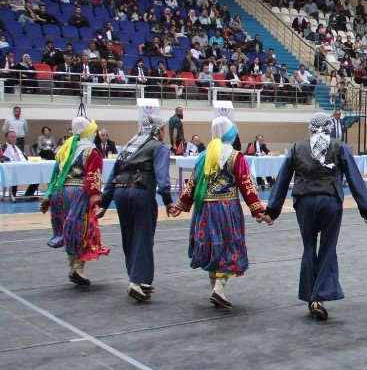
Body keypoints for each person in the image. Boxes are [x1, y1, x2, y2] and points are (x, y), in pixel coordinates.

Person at [265, 113, 367, 320]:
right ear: (331, 128)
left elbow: (282, 180)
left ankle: (310, 295)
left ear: (310, 128)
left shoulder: (297, 147)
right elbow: (354, 178)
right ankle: (319, 296)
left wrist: (272, 210)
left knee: (308, 247)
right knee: (327, 247)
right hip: (330, 200)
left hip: (304, 201)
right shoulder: (340, 147)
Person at [168, 118, 271, 309]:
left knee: (211, 246)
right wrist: (258, 210)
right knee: (228, 247)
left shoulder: (204, 156)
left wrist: (181, 204)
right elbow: (247, 185)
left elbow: (192, 184)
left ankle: (215, 287)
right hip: (226, 209)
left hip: (205, 210)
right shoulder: (235, 157)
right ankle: (219, 288)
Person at [97, 116, 173, 302]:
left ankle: (141, 279)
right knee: (144, 236)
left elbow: (113, 174)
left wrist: (104, 203)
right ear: (157, 130)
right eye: (163, 129)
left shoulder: (129, 146)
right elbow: (162, 176)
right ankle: (137, 281)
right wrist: (168, 200)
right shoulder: (159, 147)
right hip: (141, 193)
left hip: (120, 193)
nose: (164, 133)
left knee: (129, 236)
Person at [40, 117, 110, 286]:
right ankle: (77, 267)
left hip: (60, 194)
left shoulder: (65, 149)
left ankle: (73, 266)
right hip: (78, 193)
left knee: (68, 229)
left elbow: (55, 175)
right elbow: (93, 178)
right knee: (82, 229)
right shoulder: (91, 152)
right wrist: (97, 202)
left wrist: (48, 198)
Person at [2, 130, 37, 197]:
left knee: (37, 176)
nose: (15, 139)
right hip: (13, 170)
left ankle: (28, 194)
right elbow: (4, 159)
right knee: (14, 177)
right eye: (12, 137)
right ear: (7, 138)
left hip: (26, 166)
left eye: (15, 137)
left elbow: (24, 157)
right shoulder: (3, 148)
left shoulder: (18, 147)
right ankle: (13, 195)